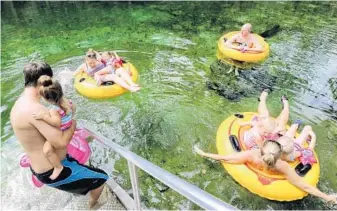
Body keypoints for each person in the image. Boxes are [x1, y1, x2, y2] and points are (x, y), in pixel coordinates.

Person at [10, 62, 109, 208]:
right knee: (101, 178)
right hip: (53, 170)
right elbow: (61, 142)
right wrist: (73, 124)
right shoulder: (35, 110)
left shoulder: (20, 104)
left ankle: (78, 188)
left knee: (82, 170)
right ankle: (92, 206)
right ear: (41, 81)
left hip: (41, 166)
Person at [194, 140, 337, 203]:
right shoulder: (283, 166)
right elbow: (304, 186)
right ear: (280, 154)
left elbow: (226, 158)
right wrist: (326, 197)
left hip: (243, 187)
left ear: (261, 148)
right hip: (276, 196)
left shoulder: (251, 156)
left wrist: (204, 154)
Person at [32, 75, 75, 180]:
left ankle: (58, 167)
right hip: (68, 125)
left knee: (47, 150)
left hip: (62, 130)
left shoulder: (53, 109)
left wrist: (44, 117)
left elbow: (56, 123)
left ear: (46, 98)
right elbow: (73, 109)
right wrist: (68, 120)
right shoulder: (67, 101)